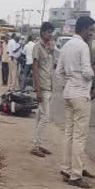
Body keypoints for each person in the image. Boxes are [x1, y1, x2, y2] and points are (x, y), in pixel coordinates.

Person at [55, 16, 95, 188]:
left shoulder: (66, 46)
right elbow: (88, 73)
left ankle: (67, 169)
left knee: (69, 133)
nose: (91, 33)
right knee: (80, 136)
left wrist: (68, 82)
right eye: (90, 30)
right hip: (80, 94)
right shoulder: (82, 46)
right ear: (83, 29)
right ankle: (75, 175)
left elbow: (58, 72)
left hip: (69, 94)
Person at [31, 24, 54, 157]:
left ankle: (37, 144)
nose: (50, 35)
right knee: (45, 117)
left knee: (40, 117)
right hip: (43, 87)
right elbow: (35, 69)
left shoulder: (49, 47)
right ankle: (36, 145)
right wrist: (38, 89)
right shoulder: (37, 47)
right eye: (48, 32)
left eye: (51, 32)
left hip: (49, 85)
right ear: (42, 33)